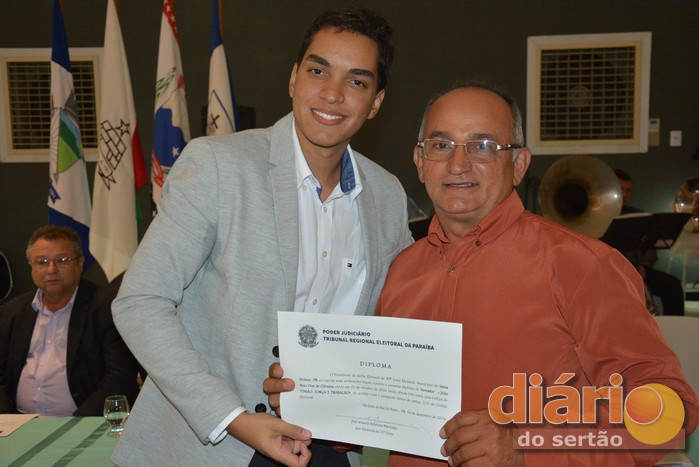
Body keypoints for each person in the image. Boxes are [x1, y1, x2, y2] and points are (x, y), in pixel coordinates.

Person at [265, 81, 698, 466]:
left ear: (520, 164)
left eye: (484, 146)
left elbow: (668, 414)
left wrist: (529, 446)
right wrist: (315, 400)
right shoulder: (402, 271)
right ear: (420, 161)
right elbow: (381, 409)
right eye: (441, 145)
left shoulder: (582, 265)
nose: (458, 164)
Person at [110, 7, 412, 467]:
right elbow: (140, 302)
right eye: (318, 71)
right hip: (216, 443)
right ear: (293, 78)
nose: (332, 93)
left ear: (375, 102)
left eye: (356, 81)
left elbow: (393, 325)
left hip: (330, 447)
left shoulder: (387, 195)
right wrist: (232, 417)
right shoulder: (218, 165)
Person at [0, 225, 139, 417]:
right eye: (42, 262)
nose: (51, 269)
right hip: (19, 421)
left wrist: (77, 424)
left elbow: (119, 378)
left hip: (82, 421)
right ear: (31, 265)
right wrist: (7, 418)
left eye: (62, 260)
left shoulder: (108, 308)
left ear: (80, 263)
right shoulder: (12, 311)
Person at [614, 168, 685, 315]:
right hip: (610, 271)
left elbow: (650, 248)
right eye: (621, 189)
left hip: (639, 269)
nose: (625, 194)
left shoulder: (638, 215)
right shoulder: (595, 217)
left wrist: (644, 268)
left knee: (672, 285)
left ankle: (674, 326)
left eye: (628, 190)